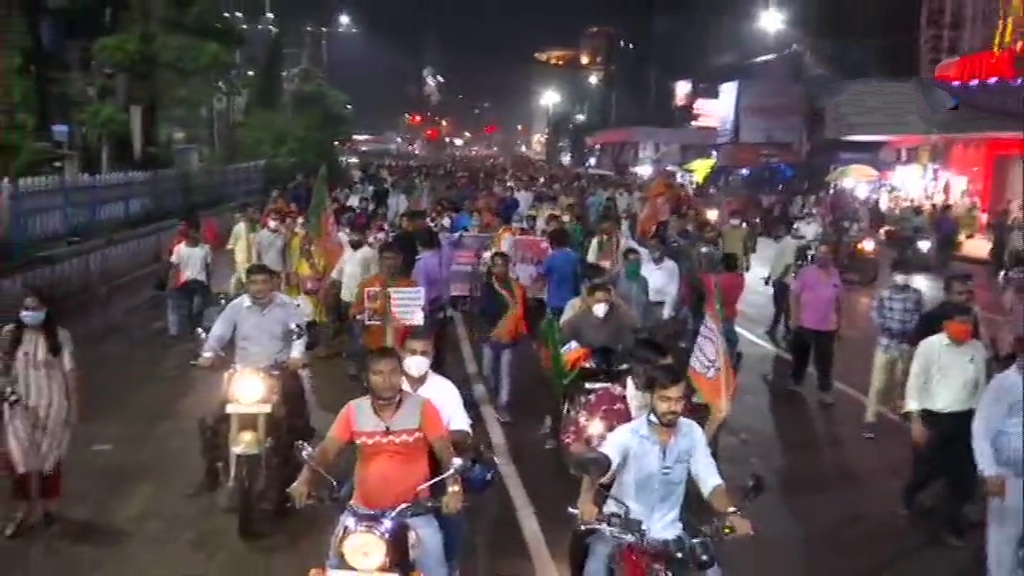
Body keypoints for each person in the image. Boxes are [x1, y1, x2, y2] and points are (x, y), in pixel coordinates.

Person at [288, 347, 462, 575]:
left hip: (413, 511)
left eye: (392, 372)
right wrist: (305, 479)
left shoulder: (422, 408)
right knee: (334, 568)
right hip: (361, 512)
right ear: (367, 378)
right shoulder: (353, 410)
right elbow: (328, 449)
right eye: (378, 373)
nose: (386, 380)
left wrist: (454, 487)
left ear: (402, 375)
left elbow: (444, 450)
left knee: (436, 569)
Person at [575, 370, 753, 576]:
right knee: (594, 568)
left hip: (669, 535)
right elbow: (600, 463)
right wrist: (586, 499)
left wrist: (731, 513)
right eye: (664, 399)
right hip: (621, 531)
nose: (672, 407)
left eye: (678, 400)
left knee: (713, 571)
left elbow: (710, 481)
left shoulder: (691, 433)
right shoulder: (628, 435)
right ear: (651, 398)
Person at [902, 304, 987, 546]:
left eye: (969, 323)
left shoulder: (977, 349)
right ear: (945, 324)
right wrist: (916, 421)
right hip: (934, 420)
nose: (966, 328)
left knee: (963, 478)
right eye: (960, 322)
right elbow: (915, 384)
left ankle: (951, 525)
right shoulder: (929, 348)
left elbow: (980, 385)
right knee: (927, 470)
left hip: (964, 421)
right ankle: (911, 495)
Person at [198, 264, 314, 435]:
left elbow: (298, 332)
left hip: (279, 369)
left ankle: (299, 448)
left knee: (297, 413)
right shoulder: (236, 307)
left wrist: (296, 356)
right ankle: (218, 456)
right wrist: (208, 353)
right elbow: (219, 332)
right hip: (243, 372)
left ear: (272, 284)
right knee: (218, 418)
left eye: (264, 282)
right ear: (247, 285)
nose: (259, 287)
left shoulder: (287, 305)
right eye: (254, 283)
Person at [1, 292, 79, 538]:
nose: (30, 312)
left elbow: (69, 374)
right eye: (27, 307)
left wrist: (74, 407)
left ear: (46, 309)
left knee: (49, 461)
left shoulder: (59, 336)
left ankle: (47, 511)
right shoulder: (9, 335)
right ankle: (23, 512)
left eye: (36, 307)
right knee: (20, 464)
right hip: (18, 409)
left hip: (53, 408)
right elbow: (2, 374)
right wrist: (13, 398)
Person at [400, 329, 473, 570]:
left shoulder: (445, 389)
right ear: (401, 352)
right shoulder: (388, 386)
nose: (417, 357)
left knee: (452, 518)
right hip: (389, 466)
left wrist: (429, 440)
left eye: (424, 353)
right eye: (412, 352)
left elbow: (463, 433)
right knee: (347, 506)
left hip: (435, 470)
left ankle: (450, 566)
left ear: (432, 355)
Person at [971, 355, 1022, 576]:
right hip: (1008, 475)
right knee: (1003, 540)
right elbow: (981, 429)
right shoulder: (1004, 384)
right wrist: (990, 472)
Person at [862, 266, 925, 438]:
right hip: (885, 344)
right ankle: (870, 419)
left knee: (901, 379)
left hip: (905, 345)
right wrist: (885, 328)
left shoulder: (916, 295)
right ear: (893, 276)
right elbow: (875, 312)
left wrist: (909, 331)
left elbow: (919, 315)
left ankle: (898, 406)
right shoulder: (884, 293)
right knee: (879, 383)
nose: (904, 277)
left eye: (907, 273)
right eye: (901, 273)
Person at [478, 252, 530, 422]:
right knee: (488, 373)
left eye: (504, 265)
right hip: (489, 336)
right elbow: (482, 311)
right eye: (497, 265)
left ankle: (502, 405)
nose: (501, 268)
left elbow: (524, 312)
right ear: (491, 268)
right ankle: (492, 398)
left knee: (505, 373)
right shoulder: (486, 288)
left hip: (510, 338)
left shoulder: (517, 288)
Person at [789, 244, 843, 405]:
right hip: (805, 323)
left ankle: (825, 391)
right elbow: (794, 295)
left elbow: (840, 302)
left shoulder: (835, 275)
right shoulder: (806, 273)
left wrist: (840, 323)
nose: (822, 257)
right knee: (801, 356)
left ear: (831, 257)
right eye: (819, 254)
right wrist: (794, 317)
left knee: (824, 361)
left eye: (826, 254)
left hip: (827, 327)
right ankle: (796, 380)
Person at [350, 242, 420, 350]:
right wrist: (365, 311)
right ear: (380, 260)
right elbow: (353, 312)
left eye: (393, 258)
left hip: (402, 345)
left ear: (400, 260)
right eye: (386, 258)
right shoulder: (367, 284)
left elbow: (416, 318)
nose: (390, 263)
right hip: (374, 345)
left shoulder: (411, 286)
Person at [561, 282, 638, 352]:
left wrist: (620, 305)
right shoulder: (578, 318)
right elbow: (565, 337)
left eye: (606, 301)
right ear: (589, 300)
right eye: (598, 301)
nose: (603, 305)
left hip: (613, 360)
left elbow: (633, 325)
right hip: (585, 360)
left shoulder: (620, 316)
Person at [167, 222, 213, 337]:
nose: (199, 234)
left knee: (197, 309)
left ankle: (196, 329)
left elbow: (207, 269)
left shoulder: (206, 249)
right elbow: (174, 268)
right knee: (187, 310)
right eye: (195, 231)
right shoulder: (178, 249)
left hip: (200, 284)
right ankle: (192, 331)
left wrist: (208, 285)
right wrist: (171, 284)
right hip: (185, 284)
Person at [910, 275, 980, 346]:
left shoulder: (973, 315)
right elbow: (916, 344)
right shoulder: (931, 318)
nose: (966, 297)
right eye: (960, 293)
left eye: (969, 293)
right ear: (947, 294)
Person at [540, 227, 581, 320]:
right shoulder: (575, 258)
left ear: (552, 242)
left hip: (554, 302)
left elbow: (542, 279)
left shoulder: (549, 259)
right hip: (573, 302)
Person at [765, 224, 798, 339]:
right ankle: (786, 328)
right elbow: (776, 262)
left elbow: (788, 263)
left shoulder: (789, 244)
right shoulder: (782, 243)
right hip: (778, 278)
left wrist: (780, 278)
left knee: (780, 306)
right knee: (782, 305)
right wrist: (769, 277)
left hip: (783, 280)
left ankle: (778, 328)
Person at [640, 236, 680, 325]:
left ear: (663, 247)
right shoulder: (644, 265)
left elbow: (673, 292)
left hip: (661, 309)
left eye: (656, 246)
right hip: (646, 309)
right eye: (650, 247)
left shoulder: (671, 266)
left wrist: (666, 315)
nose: (653, 249)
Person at [225, 205, 258, 295]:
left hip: (254, 260)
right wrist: (233, 261)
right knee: (244, 281)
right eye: (250, 212)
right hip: (242, 261)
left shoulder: (255, 227)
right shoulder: (237, 229)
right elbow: (231, 245)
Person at [615, 247, 650, 323]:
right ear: (625, 263)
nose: (637, 264)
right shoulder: (616, 279)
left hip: (639, 325)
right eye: (633, 261)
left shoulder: (643, 281)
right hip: (621, 326)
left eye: (638, 261)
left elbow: (646, 305)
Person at [253, 212, 289, 284]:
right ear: (268, 220)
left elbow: (285, 254)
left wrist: (283, 231)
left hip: (279, 271)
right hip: (266, 271)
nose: (275, 222)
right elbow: (257, 254)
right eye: (273, 219)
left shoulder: (282, 235)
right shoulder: (260, 235)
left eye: (277, 219)